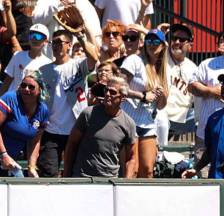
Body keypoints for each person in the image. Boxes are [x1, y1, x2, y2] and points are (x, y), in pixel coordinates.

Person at [38, 28, 99, 177]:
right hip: (51, 130)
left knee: (74, 174)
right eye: (54, 42)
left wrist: (81, 37)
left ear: (69, 45)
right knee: (48, 173)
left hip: (76, 129)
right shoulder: (43, 70)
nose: (56, 45)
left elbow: (94, 58)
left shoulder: (78, 65)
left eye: (60, 42)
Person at [0, 71, 49, 177]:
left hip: (9, 158)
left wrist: (31, 166)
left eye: (31, 87)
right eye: (23, 85)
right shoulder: (10, 98)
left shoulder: (43, 110)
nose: (26, 89)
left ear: (40, 90)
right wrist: (4, 155)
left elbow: (35, 140)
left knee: (19, 182)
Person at [63, 75, 138, 178]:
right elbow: (72, 144)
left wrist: (126, 182)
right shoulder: (88, 113)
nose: (107, 94)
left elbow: (132, 158)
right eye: (106, 90)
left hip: (109, 181)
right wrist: (67, 175)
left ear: (123, 97)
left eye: (113, 92)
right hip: (82, 178)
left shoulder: (128, 123)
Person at [120, 28, 168, 178]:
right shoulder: (134, 60)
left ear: (162, 45)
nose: (152, 44)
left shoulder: (163, 69)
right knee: (132, 169)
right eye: (149, 40)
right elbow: (120, 87)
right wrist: (142, 96)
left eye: (156, 41)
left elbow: (161, 106)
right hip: (129, 121)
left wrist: (161, 95)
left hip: (148, 123)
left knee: (148, 170)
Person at [155, 23, 197, 149]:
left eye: (182, 39)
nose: (177, 42)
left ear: (190, 44)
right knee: (160, 117)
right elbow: (150, 44)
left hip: (184, 118)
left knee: (203, 115)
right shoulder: (162, 56)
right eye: (174, 38)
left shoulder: (194, 68)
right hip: (161, 114)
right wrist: (159, 32)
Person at [189, 32, 224, 178]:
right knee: (204, 182)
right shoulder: (207, 64)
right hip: (207, 130)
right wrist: (211, 91)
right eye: (221, 40)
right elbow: (191, 86)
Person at [182, 75, 224, 179]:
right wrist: (196, 168)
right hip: (216, 180)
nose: (222, 87)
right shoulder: (213, 118)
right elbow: (210, 151)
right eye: (223, 84)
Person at [0, 23, 51, 97]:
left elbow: (47, 89)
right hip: (14, 99)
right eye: (32, 35)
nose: (34, 38)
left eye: (38, 36)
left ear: (46, 41)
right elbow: (7, 81)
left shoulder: (48, 63)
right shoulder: (17, 55)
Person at [32, 0, 102, 53]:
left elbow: (96, 34)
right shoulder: (45, 2)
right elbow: (36, 21)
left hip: (78, 55)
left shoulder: (84, 3)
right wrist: (57, 4)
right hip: (52, 56)